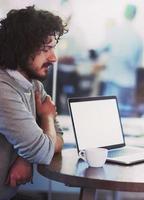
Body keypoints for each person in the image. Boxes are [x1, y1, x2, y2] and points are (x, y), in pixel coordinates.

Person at [0, 6, 67, 199]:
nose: (53, 58)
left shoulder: (33, 84)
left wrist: (25, 157)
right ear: (20, 48)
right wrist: (46, 116)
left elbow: (58, 137)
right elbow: (44, 151)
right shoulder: (3, 90)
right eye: (46, 49)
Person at [93, 4, 143, 114]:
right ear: (135, 15)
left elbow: (99, 50)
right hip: (129, 84)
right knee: (126, 118)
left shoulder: (114, 32)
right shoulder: (138, 37)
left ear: (124, 13)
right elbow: (138, 63)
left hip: (113, 82)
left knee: (110, 115)